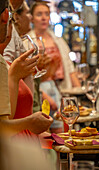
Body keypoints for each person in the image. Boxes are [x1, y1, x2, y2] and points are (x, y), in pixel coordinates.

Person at [0, 0, 53, 137]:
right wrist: (30, 123)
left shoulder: (6, 64)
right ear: (5, 18)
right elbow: (4, 125)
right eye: (12, 21)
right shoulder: (5, 66)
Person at [27, 1, 81, 133]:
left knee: (61, 136)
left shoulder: (58, 40)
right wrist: (43, 94)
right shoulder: (27, 41)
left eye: (47, 14)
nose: (44, 17)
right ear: (32, 18)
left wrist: (79, 92)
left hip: (58, 90)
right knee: (43, 137)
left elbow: (69, 69)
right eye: (39, 14)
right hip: (38, 93)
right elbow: (28, 74)